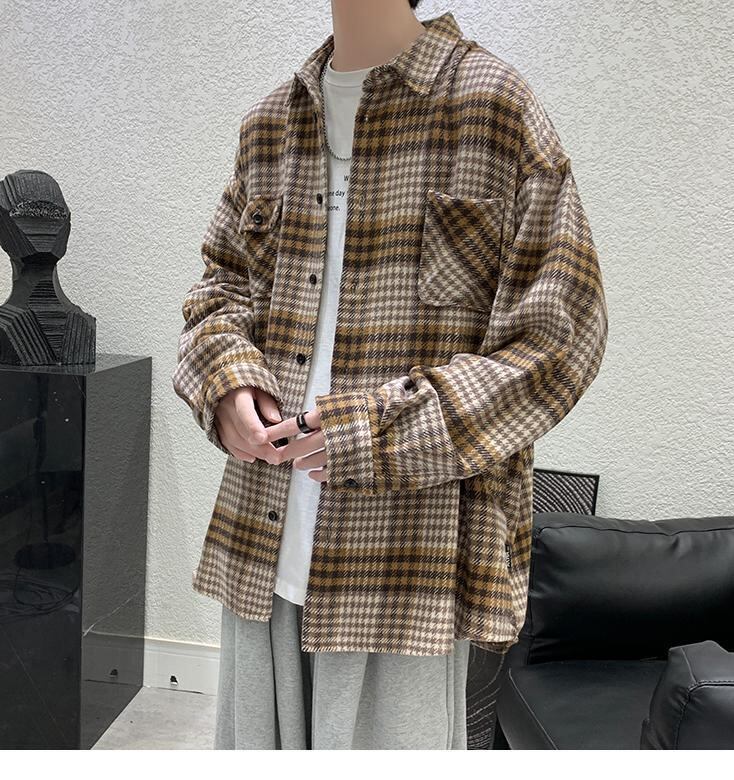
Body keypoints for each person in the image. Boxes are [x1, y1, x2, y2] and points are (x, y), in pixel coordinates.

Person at [172, 0, 608, 750]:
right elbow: (218, 289)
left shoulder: (493, 109)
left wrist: (377, 434)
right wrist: (227, 383)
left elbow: (559, 339)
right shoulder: (270, 125)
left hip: (408, 559)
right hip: (261, 537)